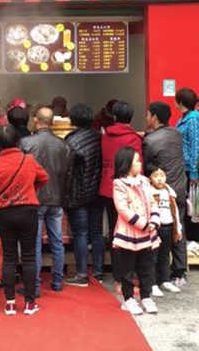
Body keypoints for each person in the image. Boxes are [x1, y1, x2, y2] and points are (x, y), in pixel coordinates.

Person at [0, 125, 49, 316]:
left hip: (5, 213)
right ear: (18, 141)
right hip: (28, 210)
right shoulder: (28, 160)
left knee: (9, 257)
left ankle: (10, 303)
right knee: (29, 256)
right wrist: (31, 190)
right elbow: (44, 178)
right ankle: (29, 303)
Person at [20, 106, 73, 296]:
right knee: (57, 241)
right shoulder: (63, 145)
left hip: (34, 197)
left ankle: (34, 286)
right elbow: (68, 174)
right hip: (56, 197)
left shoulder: (26, 142)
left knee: (34, 243)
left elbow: (21, 172)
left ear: (36, 120)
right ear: (52, 122)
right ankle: (57, 282)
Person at [143, 102, 188, 287]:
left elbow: (147, 166)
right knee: (178, 228)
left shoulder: (150, 140)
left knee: (157, 231)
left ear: (154, 117)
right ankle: (180, 271)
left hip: (160, 193)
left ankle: (159, 274)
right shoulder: (177, 134)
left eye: (148, 115)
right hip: (179, 188)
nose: (146, 118)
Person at [112, 146, 160, 316]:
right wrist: (143, 224)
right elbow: (123, 209)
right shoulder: (119, 184)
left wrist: (154, 220)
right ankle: (129, 299)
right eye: (137, 161)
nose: (140, 164)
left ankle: (146, 297)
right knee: (127, 268)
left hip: (147, 233)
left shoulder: (145, 181)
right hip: (129, 233)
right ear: (127, 165)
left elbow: (153, 202)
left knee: (146, 267)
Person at [99, 101, 142, 285]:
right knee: (131, 229)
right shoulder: (134, 139)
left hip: (108, 187)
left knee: (114, 230)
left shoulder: (105, 136)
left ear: (114, 116)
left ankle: (118, 271)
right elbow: (137, 167)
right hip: (128, 188)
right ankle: (129, 271)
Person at [64, 103, 103, 286]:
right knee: (96, 232)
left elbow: (67, 169)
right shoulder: (99, 137)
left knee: (80, 233)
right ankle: (98, 271)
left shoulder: (71, 140)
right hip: (97, 191)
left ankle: (81, 273)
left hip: (78, 192)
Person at [175, 88, 199, 242]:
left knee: (194, 204)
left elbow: (195, 146)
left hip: (191, 168)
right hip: (185, 166)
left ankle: (196, 238)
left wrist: (194, 171)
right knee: (189, 202)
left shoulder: (193, 120)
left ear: (181, 102)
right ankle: (190, 238)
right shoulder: (184, 118)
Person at [147, 165, 183, 297]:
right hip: (155, 229)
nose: (159, 179)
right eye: (156, 176)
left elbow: (175, 211)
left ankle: (165, 280)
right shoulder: (149, 192)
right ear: (150, 178)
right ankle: (152, 283)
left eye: (162, 175)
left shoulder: (169, 192)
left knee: (165, 255)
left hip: (168, 227)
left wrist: (178, 228)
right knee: (153, 256)